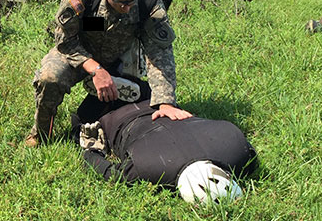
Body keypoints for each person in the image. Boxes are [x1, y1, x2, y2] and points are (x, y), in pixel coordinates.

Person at [25, 0, 191, 148]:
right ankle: (41, 134)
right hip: (78, 50)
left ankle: (106, 118)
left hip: (122, 55)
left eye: (131, 2)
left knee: (130, 99)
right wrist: (96, 69)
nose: (126, 8)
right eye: (120, 2)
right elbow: (64, 40)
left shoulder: (148, 1)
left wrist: (166, 102)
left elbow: (160, 55)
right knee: (50, 78)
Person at [72, 82, 257, 205]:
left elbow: (249, 152)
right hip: (112, 116)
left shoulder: (234, 148)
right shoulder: (148, 169)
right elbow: (110, 173)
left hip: (154, 100)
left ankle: (116, 73)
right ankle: (112, 74)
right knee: (79, 125)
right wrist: (90, 150)